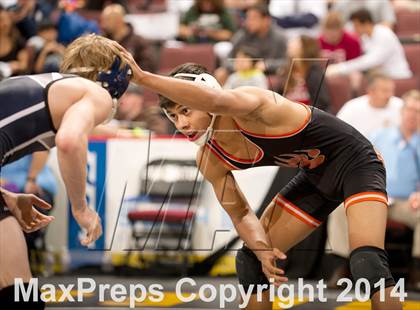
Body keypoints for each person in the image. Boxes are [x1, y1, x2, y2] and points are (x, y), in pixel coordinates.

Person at [118, 43, 402, 310]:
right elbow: (241, 213)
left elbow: (216, 98)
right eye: (173, 116)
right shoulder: (209, 157)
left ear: (204, 97)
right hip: (316, 175)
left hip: (356, 162)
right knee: (252, 260)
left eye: (186, 110)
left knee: (367, 261)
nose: (182, 124)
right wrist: (263, 249)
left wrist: (142, 78)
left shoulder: (251, 102)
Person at [0, 34, 131, 307]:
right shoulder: (95, 94)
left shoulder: (50, 86)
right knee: (19, 295)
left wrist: (7, 196)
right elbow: (70, 142)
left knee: (16, 289)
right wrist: (80, 207)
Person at [326, 9, 412, 80]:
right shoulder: (365, 38)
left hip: (398, 77)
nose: (355, 29)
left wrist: (340, 68)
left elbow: (371, 61)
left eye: (356, 26)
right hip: (381, 78)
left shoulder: (384, 34)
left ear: (366, 23)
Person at [214, 3, 287, 85]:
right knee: (221, 73)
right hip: (241, 72)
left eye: (254, 18)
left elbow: (287, 61)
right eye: (247, 18)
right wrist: (237, 65)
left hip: (267, 73)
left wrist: (267, 65)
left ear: (266, 20)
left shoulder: (280, 37)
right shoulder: (241, 35)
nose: (249, 22)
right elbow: (227, 60)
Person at [277, 35, 330, 111]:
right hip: (287, 114)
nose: (290, 44)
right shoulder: (287, 70)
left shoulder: (314, 72)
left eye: (296, 42)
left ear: (305, 48)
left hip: (309, 116)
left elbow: (322, 103)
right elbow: (278, 98)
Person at [100, 3, 157, 73]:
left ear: (118, 20)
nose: (103, 24)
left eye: (107, 20)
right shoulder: (102, 41)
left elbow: (148, 68)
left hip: (134, 81)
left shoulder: (139, 42)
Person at [0, 7, 29, 79]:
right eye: (1, 20)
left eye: (7, 19)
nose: (5, 23)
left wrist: (16, 65)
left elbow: (24, 65)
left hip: (12, 81)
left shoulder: (18, 41)